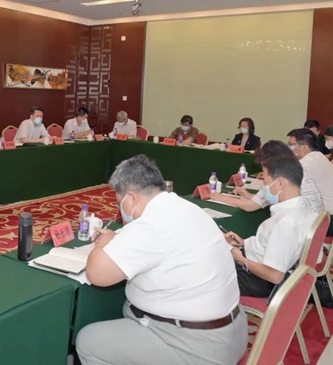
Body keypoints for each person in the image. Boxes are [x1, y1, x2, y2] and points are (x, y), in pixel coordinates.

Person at [76, 155, 246, 365]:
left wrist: (102, 244)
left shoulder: (151, 225)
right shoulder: (185, 207)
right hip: (231, 333)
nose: (121, 209)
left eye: (120, 203)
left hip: (195, 346)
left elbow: (97, 274)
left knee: (88, 341)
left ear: (132, 198)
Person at [224, 152, 317, 297]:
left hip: (258, 278)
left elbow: (275, 275)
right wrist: (243, 243)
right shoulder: (305, 208)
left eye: (266, 182)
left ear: (280, 183)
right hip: (262, 265)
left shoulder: (286, 223)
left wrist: (242, 260)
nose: (264, 187)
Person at [211, 141, 324, 214]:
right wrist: (249, 196)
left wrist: (221, 198)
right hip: (314, 230)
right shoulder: (295, 169)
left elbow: (250, 206)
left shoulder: (278, 177)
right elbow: (268, 198)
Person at [288, 128, 333, 235]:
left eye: (292, 145)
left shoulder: (306, 163)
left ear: (304, 147)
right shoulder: (318, 157)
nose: (289, 148)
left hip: (328, 221)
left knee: (286, 224)